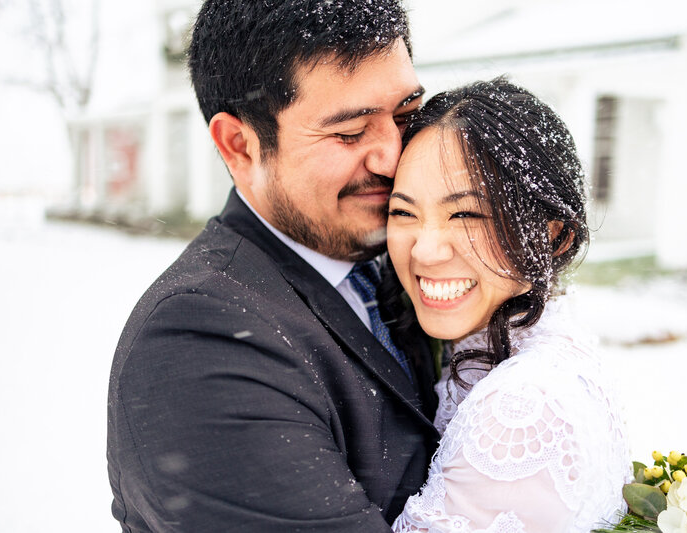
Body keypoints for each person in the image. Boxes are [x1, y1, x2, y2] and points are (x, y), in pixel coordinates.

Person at [106, 1, 440, 531]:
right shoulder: (198, 342)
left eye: (404, 117)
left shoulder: (404, 262)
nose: (392, 156)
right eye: (350, 132)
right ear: (240, 144)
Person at [386, 78, 632, 532]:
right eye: (403, 212)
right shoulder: (543, 348)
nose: (425, 250)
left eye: (466, 214)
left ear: (555, 236)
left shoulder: (519, 409)